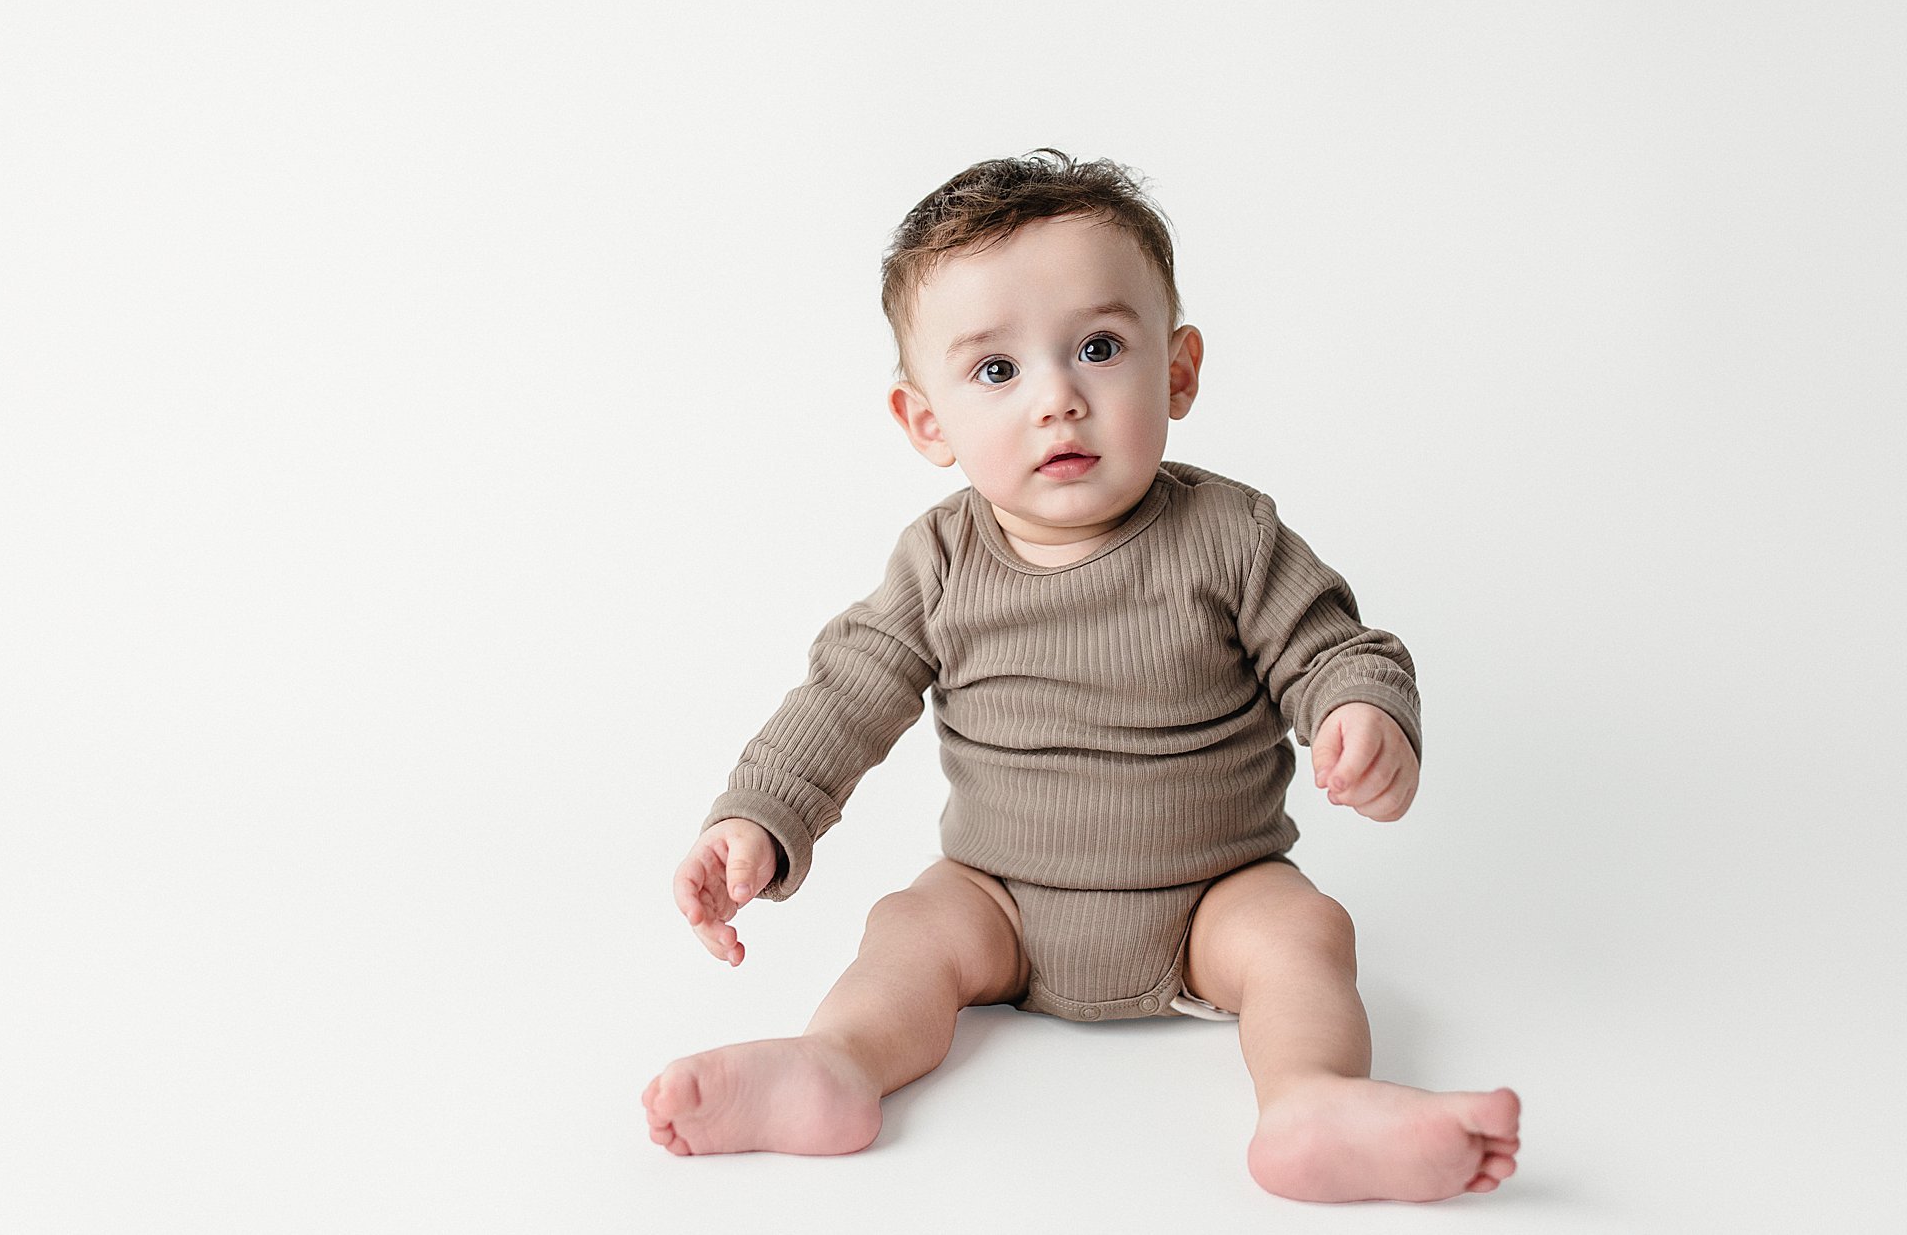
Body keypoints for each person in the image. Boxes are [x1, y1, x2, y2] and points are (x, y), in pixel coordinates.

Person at [640, 150, 1520, 1202]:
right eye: (996, 371)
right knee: (907, 930)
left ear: (1178, 370)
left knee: (1304, 933)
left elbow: (1336, 649)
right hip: (999, 904)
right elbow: (843, 696)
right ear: (927, 421)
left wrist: (1362, 713)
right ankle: (832, 1065)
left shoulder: (1228, 534)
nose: (1057, 400)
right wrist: (755, 819)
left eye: (1097, 348)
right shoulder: (939, 564)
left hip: (1212, 896)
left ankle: (1310, 1101)